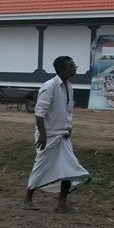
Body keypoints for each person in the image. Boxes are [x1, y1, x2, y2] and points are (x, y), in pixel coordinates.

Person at [21, 56, 91, 213]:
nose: (75, 68)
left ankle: (61, 203)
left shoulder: (69, 87)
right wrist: (43, 135)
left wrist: (68, 126)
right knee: (41, 165)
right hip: (49, 135)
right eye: (71, 66)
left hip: (63, 136)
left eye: (75, 65)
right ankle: (27, 199)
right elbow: (39, 113)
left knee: (68, 168)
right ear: (61, 69)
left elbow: (67, 111)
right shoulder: (50, 86)